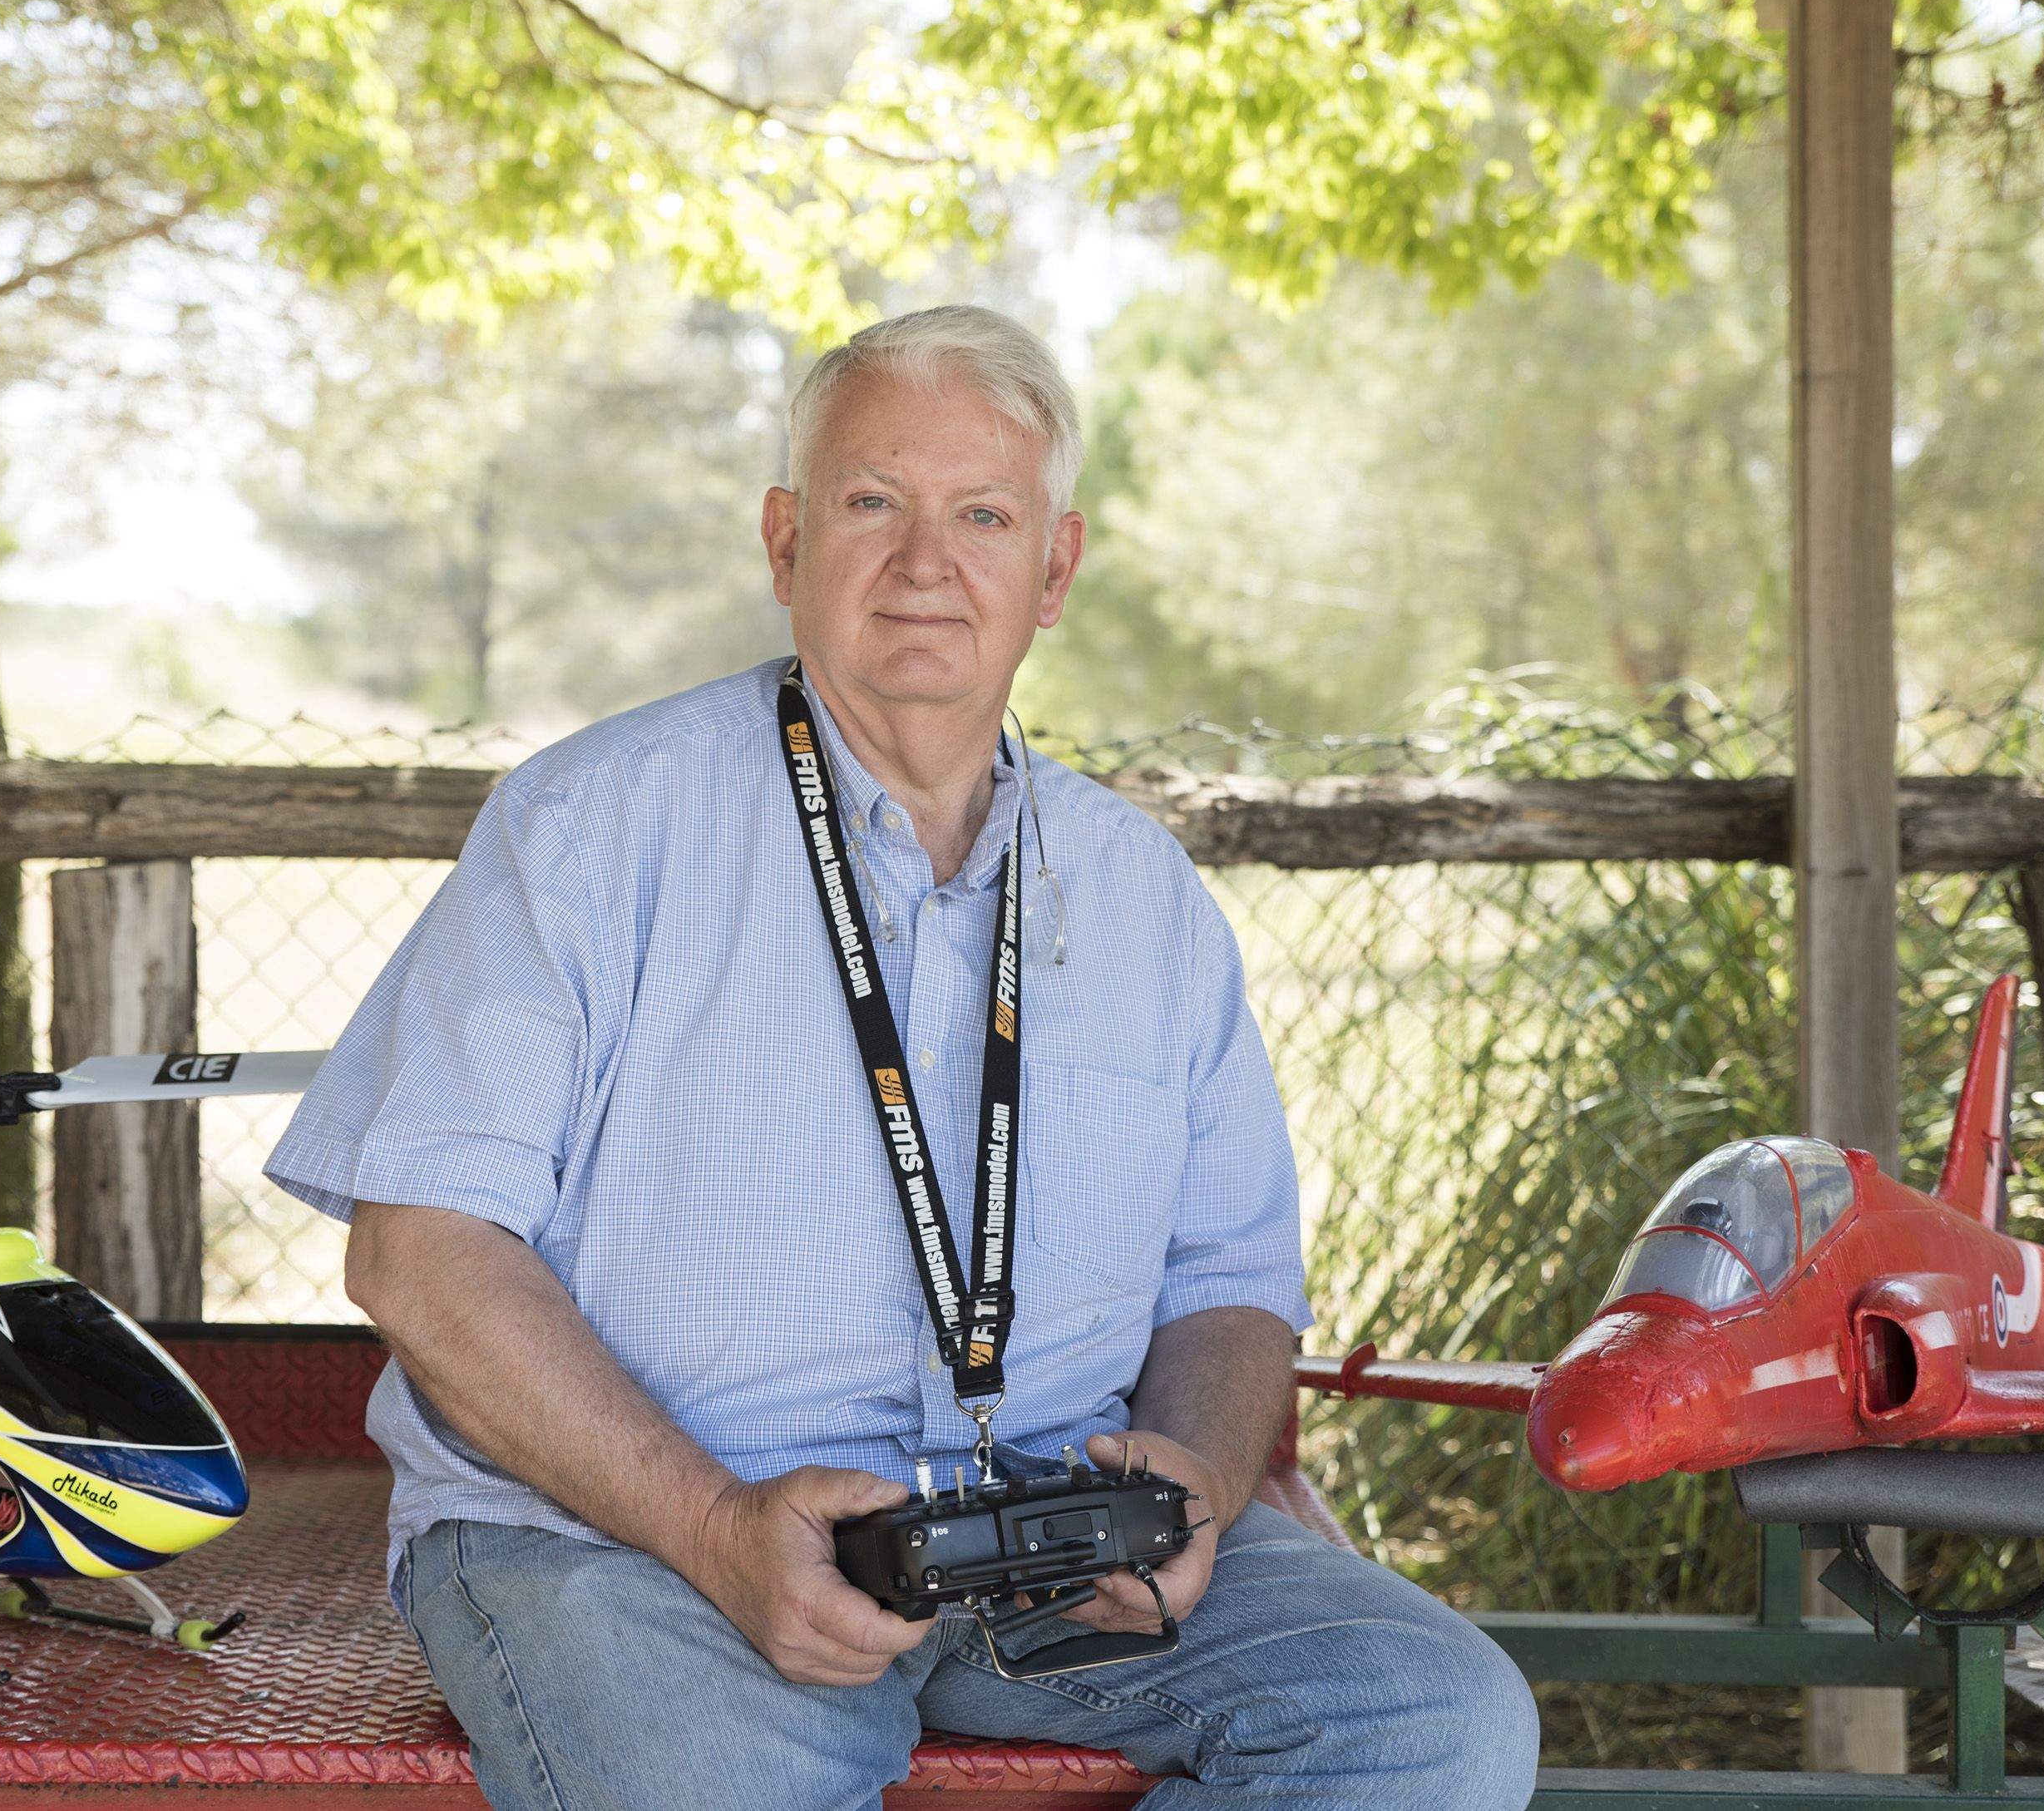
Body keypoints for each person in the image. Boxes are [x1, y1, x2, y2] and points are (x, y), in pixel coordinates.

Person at [264, 304, 1538, 1809]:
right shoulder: (590, 828)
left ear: (1053, 568)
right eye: (872, 503)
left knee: (1434, 1721)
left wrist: (1186, 1481)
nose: (926, 562)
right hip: (626, 1541)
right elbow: (423, 1255)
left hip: (1051, 1542)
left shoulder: (1144, 898)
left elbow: (1226, 1281)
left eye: (983, 515)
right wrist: (719, 1525)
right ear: (785, 539)